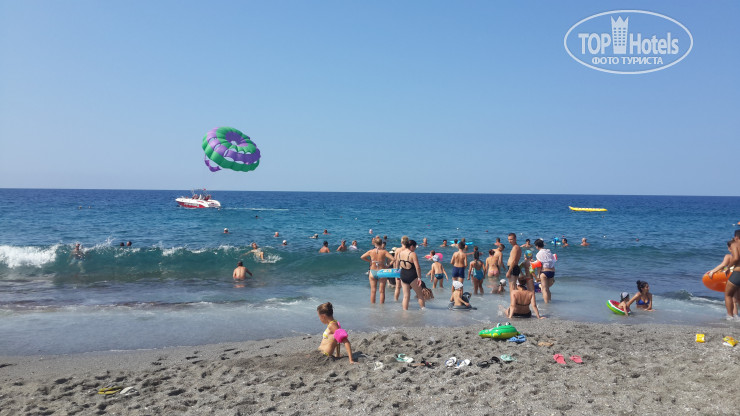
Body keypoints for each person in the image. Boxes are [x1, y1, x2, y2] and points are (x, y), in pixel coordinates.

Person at [708, 240, 740, 316]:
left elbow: (723, 265)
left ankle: (733, 316)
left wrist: (712, 271)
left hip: (733, 278)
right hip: (738, 277)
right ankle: (736, 316)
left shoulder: (729, 256)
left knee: (732, 298)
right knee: (737, 299)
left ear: (729, 248)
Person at [361, 237, 395, 304]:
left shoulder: (371, 251)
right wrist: (387, 266)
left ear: (375, 243)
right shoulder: (384, 252)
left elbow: (362, 257)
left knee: (373, 291)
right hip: (382, 272)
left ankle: (373, 307)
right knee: (382, 291)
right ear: (381, 243)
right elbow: (393, 259)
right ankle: (382, 307)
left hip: (372, 271)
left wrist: (370, 261)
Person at [396, 239, 425, 310]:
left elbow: (397, 265)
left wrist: (397, 275)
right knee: (420, 295)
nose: (415, 249)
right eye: (415, 247)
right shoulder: (412, 254)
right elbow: (417, 267)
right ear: (412, 246)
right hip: (412, 276)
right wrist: (419, 278)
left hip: (403, 275)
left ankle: (404, 312)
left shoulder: (400, 253)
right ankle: (423, 311)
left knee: (405, 296)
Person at [722, 230, 740, 319]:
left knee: (728, 294)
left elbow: (736, 258)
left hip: (738, 273)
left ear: (736, 237)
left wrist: (728, 268)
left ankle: (730, 317)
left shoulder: (735, 244)